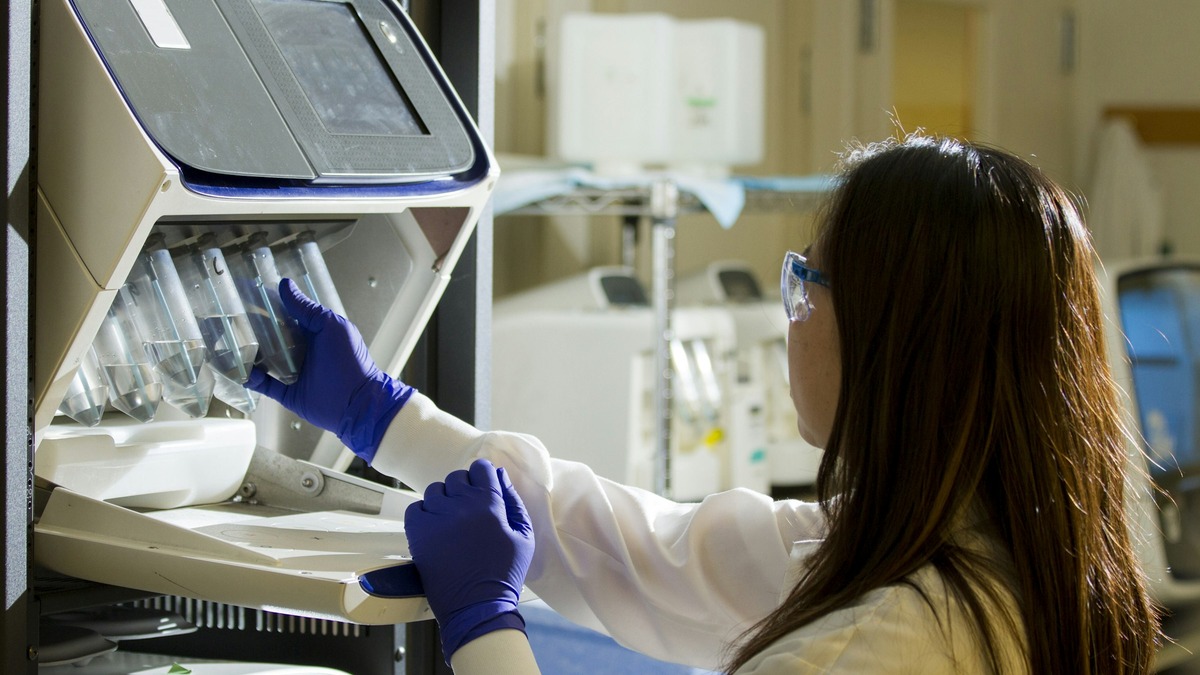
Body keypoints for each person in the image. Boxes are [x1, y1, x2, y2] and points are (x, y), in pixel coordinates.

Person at [247, 134, 1160, 674]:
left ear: (895, 339)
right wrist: (384, 414)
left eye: (808, 283)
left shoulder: (877, 648)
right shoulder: (983, 557)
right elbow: (641, 549)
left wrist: (486, 629)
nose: (791, 311)